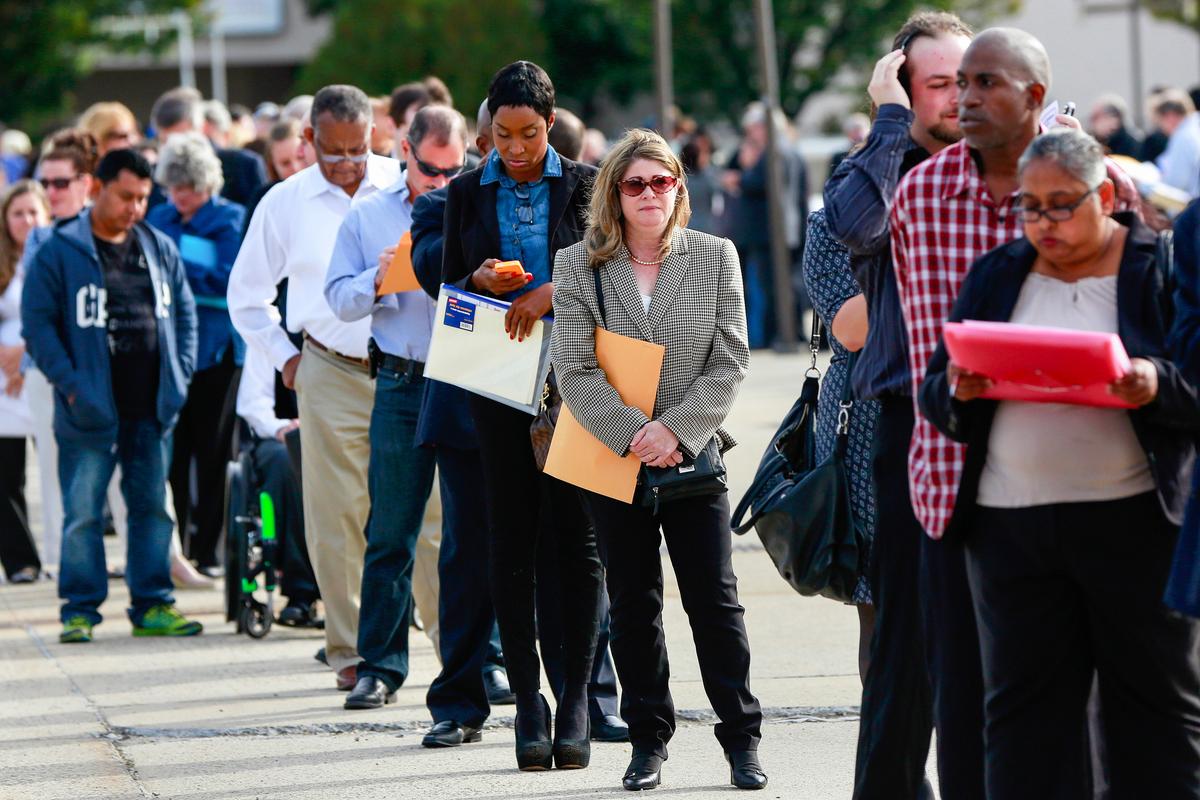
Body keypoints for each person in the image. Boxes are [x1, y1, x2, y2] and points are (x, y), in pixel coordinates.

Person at [890, 28, 1142, 798]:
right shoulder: (921, 196)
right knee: (972, 708)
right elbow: (920, 355)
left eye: (984, 83)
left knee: (1097, 714)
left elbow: (1148, 315)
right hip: (959, 486)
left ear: (1035, 96)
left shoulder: (1099, 186)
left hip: (1097, 483)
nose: (963, 99)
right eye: (956, 84)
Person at [920, 128, 1200, 799]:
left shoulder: (1153, 265)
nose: (1043, 223)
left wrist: (1153, 383)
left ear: (1105, 195)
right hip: (1011, 533)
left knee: (1155, 716)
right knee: (1023, 721)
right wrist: (956, 388)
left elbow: (1193, 381)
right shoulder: (997, 272)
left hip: (1134, 527)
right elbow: (935, 389)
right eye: (1030, 206)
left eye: (1062, 205)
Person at [551, 128, 764, 792]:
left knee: (716, 604)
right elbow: (574, 368)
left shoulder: (715, 255)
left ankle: (742, 740)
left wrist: (673, 431)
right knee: (634, 604)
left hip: (692, 457)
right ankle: (648, 741)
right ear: (615, 192)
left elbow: (730, 358)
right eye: (636, 183)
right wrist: (632, 432)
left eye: (663, 181)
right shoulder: (578, 264)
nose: (651, 194)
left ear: (680, 187)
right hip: (614, 459)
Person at [821, 12, 971, 799]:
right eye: (937, 83)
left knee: (993, 648)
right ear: (905, 87)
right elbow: (852, 228)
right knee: (900, 647)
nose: (957, 98)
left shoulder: (1013, 161)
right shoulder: (879, 165)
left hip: (1004, 426)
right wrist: (886, 122)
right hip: (903, 424)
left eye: (967, 80)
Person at [440, 61, 603, 772]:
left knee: (578, 542)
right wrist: (478, 280)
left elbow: (612, 272)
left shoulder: (588, 184)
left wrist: (552, 291)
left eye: (529, 134)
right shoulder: (464, 192)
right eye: (501, 135)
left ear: (551, 122)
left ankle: (576, 701)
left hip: (578, 380)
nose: (514, 149)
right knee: (511, 539)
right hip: (498, 378)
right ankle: (528, 702)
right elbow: (448, 282)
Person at [229, 84, 401, 691]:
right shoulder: (284, 203)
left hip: (404, 367)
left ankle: (452, 646)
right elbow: (245, 297)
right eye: (334, 153)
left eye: (359, 149)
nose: (349, 164)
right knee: (337, 515)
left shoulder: (403, 186)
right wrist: (285, 358)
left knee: (425, 510)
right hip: (327, 367)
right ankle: (351, 652)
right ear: (308, 140)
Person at [21, 148, 200, 643]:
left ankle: (153, 604)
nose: (135, 208)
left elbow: (184, 317)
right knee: (82, 512)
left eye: (144, 198)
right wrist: (75, 389)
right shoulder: (59, 250)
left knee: (151, 508)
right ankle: (79, 609)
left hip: (151, 406)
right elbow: (38, 327)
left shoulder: (159, 246)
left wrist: (180, 377)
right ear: (96, 188)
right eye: (126, 196)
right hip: (88, 409)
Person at [322, 104, 466, 712]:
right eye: (432, 170)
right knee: (391, 530)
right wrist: (377, 281)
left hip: (465, 378)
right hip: (403, 381)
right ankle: (379, 667)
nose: (442, 182)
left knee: (469, 531)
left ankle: (479, 663)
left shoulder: (476, 203)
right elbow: (337, 299)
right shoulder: (369, 214)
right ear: (406, 152)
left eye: (455, 169)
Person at [146, 132, 246, 576]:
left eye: (186, 187)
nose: (178, 196)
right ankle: (177, 549)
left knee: (213, 451)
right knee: (174, 452)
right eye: (172, 187)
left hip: (218, 354)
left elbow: (229, 278)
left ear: (206, 184)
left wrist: (178, 270)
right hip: (168, 353)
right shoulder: (158, 216)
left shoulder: (230, 218)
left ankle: (210, 551)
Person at [800, 207, 878, 680]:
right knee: (878, 599)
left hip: (960, 405)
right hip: (865, 416)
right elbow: (851, 330)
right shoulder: (832, 223)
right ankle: (887, 746)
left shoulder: (973, 203)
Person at [234, 343, 320, 627]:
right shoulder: (269, 333)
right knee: (286, 460)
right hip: (279, 435)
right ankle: (301, 591)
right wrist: (281, 428)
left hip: (338, 429)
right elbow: (253, 404)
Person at [722, 102, 807, 349]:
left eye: (753, 128)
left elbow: (758, 183)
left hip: (770, 231)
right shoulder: (790, 150)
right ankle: (789, 333)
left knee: (773, 288)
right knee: (785, 286)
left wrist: (739, 177)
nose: (750, 134)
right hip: (784, 229)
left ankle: (781, 335)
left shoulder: (773, 152)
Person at [0, 180, 49, 583]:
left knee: (55, 471)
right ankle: (21, 561)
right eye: (18, 213)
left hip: (41, 369)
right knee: (6, 474)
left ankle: (61, 558)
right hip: (3, 382)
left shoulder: (53, 254)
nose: (26, 220)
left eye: (34, 212)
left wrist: (23, 354)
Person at [151, 87, 267, 207]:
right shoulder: (155, 176)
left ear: (202, 127)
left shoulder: (243, 166)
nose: (176, 148)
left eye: (181, 138)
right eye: (167, 141)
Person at [1156, 87, 1200, 199]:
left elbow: (1176, 184)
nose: (1161, 128)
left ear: (1170, 116)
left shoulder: (1183, 137)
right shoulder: (1193, 127)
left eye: (1160, 121)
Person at [1088, 95, 1142, 159]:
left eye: (1096, 117)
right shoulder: (1091, 140)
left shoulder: (1131, 144)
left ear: (1114, 120)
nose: (1092, 123)